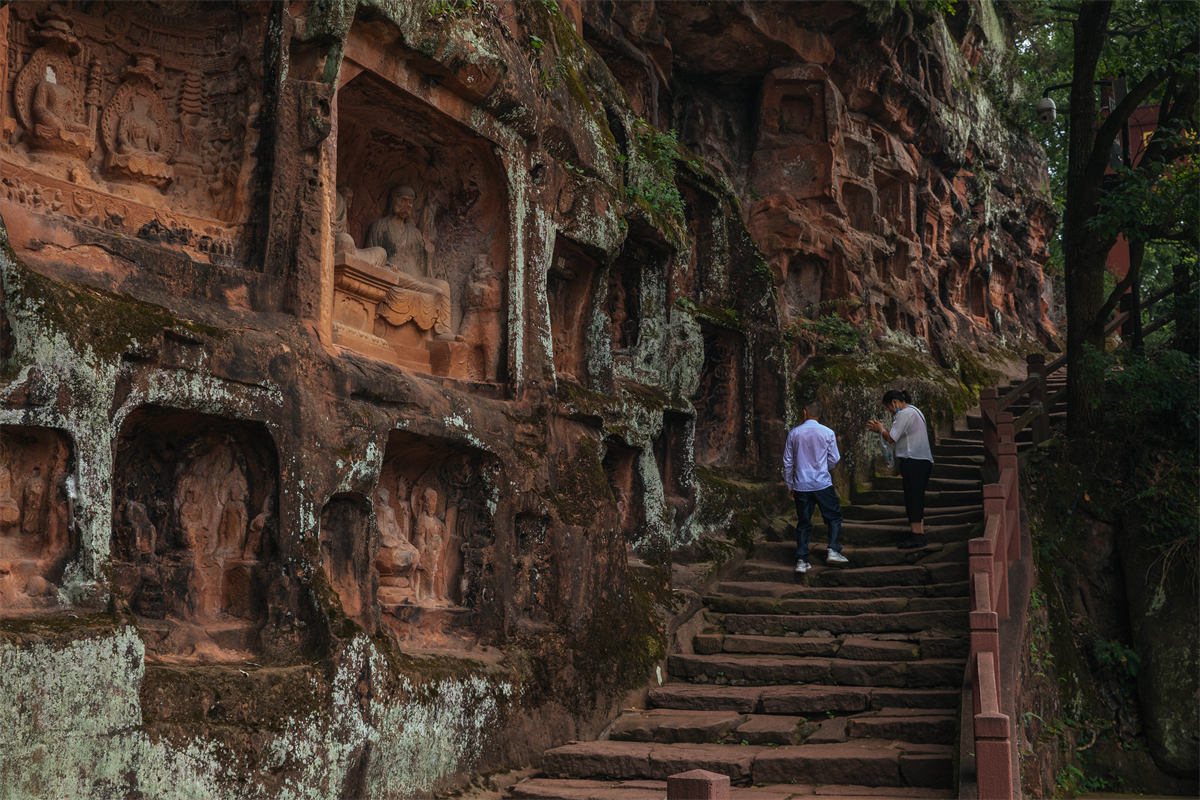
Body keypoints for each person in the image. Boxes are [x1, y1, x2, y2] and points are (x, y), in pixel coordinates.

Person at [782, 398, 847, 574]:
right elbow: (835, 458)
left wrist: (790, 485)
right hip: (822, 483)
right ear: (819, 415)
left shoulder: (794, 433)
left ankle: (802, 560)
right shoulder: (827, 433)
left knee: (804, 522)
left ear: (804, 412)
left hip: (801, 485)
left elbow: (788, 462)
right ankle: (833, 549)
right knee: (833, 517)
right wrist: (824, 467)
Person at [868, 389, 934, 549]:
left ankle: (916, 535)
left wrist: (881, 429)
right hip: (923, 460)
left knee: (912, 497)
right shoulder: (916, 411)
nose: (890, 411)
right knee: (917, 497)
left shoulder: (904, 414)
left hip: (913, 460)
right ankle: (919, 533)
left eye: (889, 407)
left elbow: (891, 437)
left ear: (895, 402)